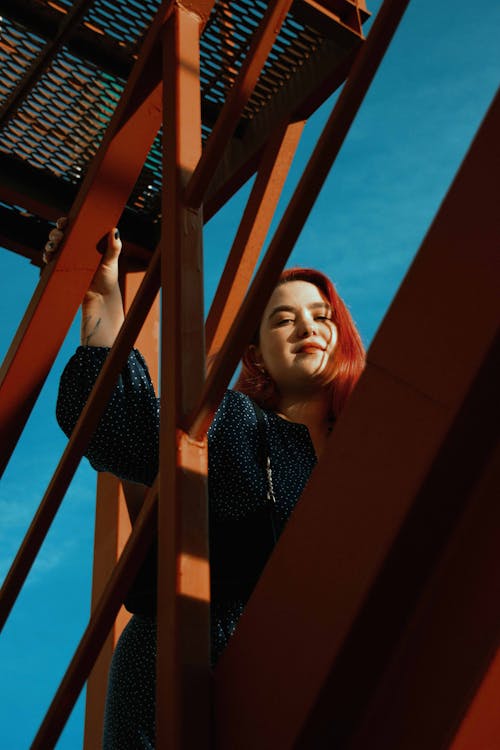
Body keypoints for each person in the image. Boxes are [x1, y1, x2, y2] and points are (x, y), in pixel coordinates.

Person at [52, 226, 365, 748]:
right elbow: (124, 425)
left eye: (321, 316)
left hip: (322, 674)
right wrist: (101, 303)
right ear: (258, 355)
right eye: (283, 320)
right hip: (195, 664)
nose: (306, 327)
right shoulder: (237, 425)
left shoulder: (374, 452)